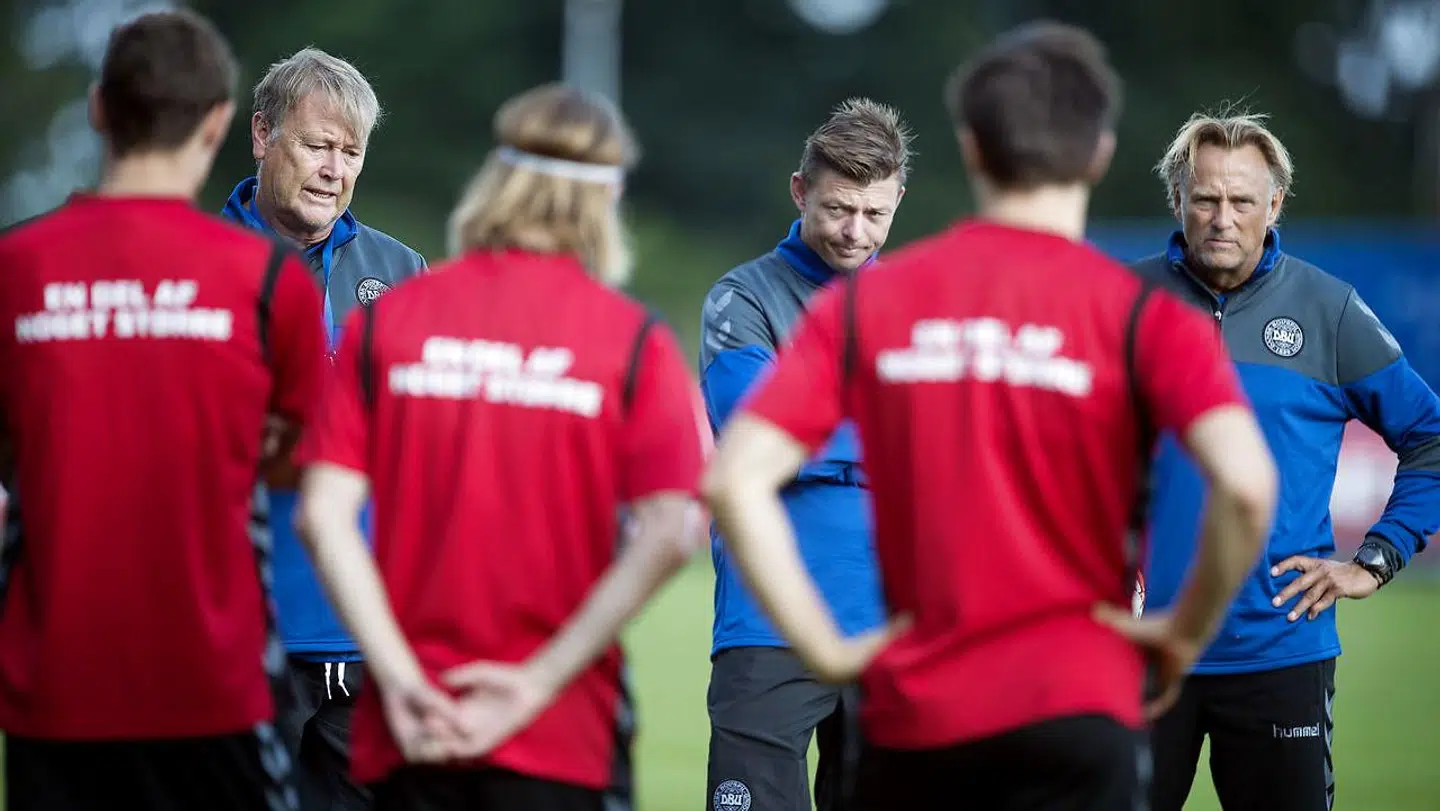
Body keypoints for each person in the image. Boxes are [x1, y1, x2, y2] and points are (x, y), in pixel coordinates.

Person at [702, 22, 1281, 811]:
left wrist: (828, 649)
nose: (855, 231)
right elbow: (1247, 487)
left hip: (926, 694)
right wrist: (1184, 630)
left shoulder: (881, 303)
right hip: (1083, 694)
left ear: (972, 149)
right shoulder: (1147, 314)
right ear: (1102, 152)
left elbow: (734, 475)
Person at [294, 83, 706, 811]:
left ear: (497, 179)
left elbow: (322, 515)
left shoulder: (392, 320)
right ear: (607, 194)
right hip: (562, 730)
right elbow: (674, 528)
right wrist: (537, 683)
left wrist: (400, 678)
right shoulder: (630, 337)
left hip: (409, 724)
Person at [0, 10, 325, 811]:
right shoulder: (267, 282)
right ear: (221, 124)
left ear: (99, 109)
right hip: (215, 689)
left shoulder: (15, 268)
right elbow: (304, 463)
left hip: (51, 693)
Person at [1135, 110, 1440, 811]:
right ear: (1178, 197)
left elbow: (1432, 436)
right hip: (1141, 654)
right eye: (1205, 197)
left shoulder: (1329, 311)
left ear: (1274, 204)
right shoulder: (1123, 304)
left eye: (1242, 199)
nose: (1222, 216)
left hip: (1281, 656)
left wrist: (1377, 557)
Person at [219, 46, 427, 811]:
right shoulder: (201, 266)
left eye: (351, 152)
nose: (334, 170)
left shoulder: (403, 270)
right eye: (317, 145)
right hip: (242, 643)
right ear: (262, 134)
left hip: (372, 643)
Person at [699, 97, 909, 811]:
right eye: (838, 208)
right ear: (800, 191)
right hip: (768, 616)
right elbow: (756, 435)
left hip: (896, 621)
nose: (855, 232)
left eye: (874, 214)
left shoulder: (918, 309)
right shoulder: (743, 298)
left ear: (897, 203)